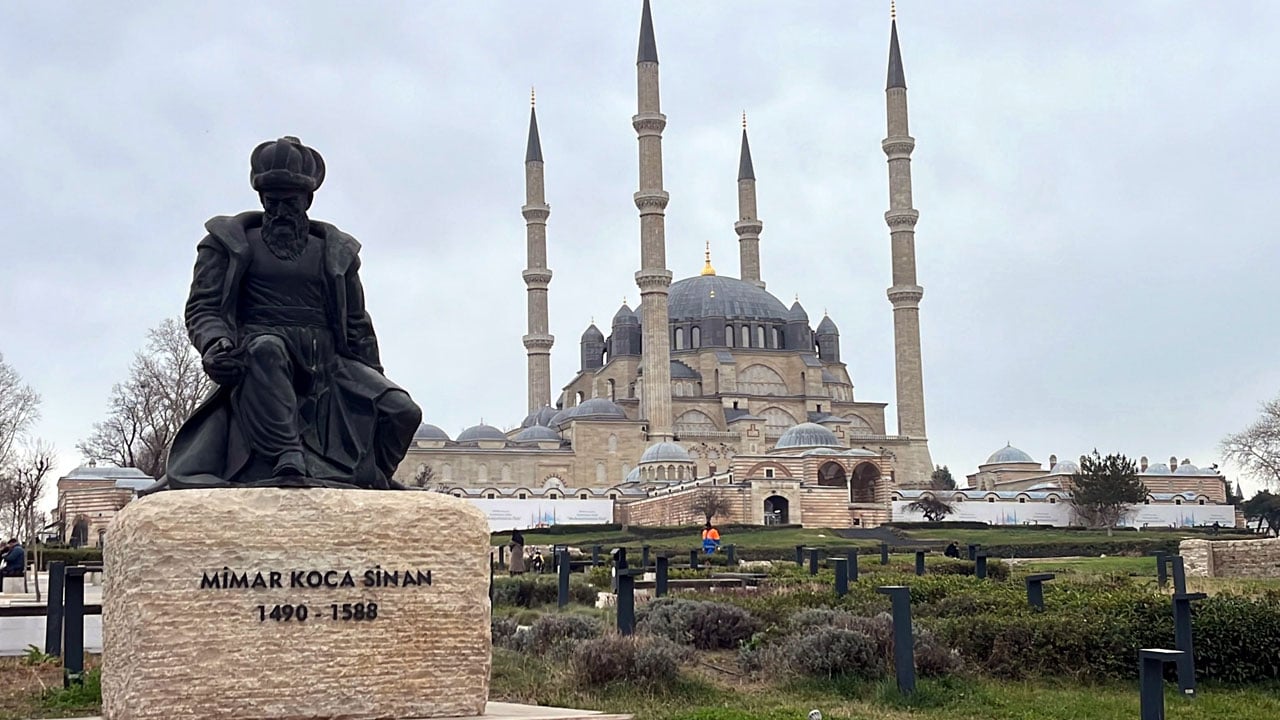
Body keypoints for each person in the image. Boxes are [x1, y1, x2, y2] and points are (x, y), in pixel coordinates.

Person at [149, 137, 422, 492]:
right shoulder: (227, 243)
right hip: (260, 353)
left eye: (289, 202)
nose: (279, 212)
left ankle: (372, 476)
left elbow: (357, 325)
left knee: (403, 410)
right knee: (267, 349)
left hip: (329, 363)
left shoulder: (336, 253)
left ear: (307, 201)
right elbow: (205, 307)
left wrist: (374, 378)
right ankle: (287, 457)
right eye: (271, 202)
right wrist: (215, 344)